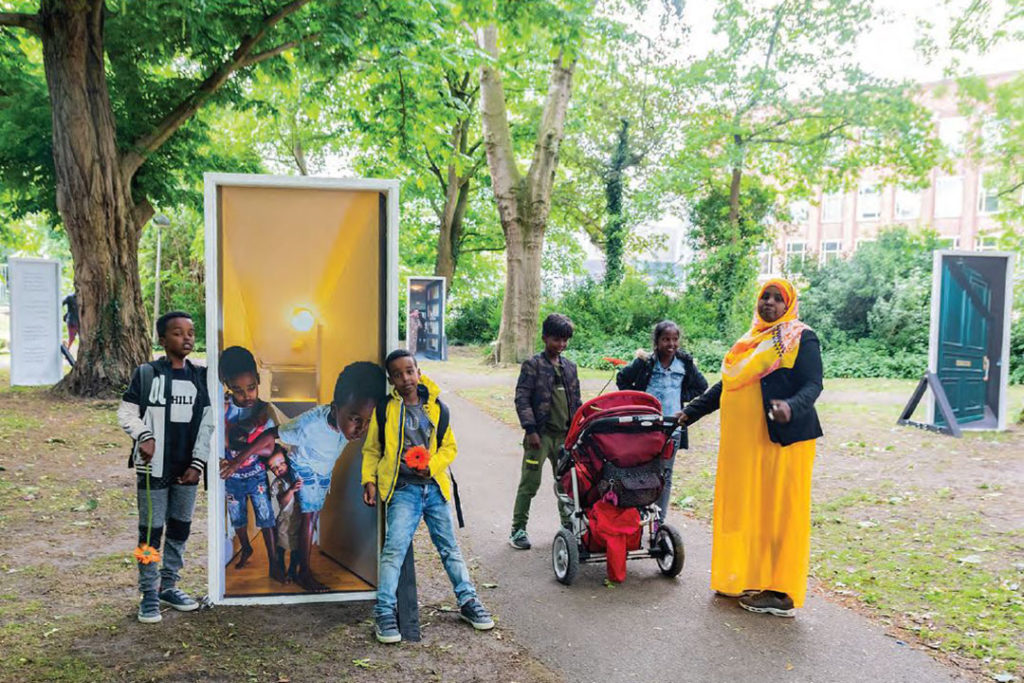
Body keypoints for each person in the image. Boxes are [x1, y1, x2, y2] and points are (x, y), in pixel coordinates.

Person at [680, 279, 823, 618]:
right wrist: (690, 412)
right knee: (747, 507)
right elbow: (727, 385)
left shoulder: (799, 337)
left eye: (777, 299)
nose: (769, 303)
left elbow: (813, 383)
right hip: (744, 447)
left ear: (788, 304)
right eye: (764, 297)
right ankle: (744, 575)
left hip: (781, 444)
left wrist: (790, 405)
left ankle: (781, 591)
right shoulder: (749, 341)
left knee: (779, 511)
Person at [362, 349, 494, 643]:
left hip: (434, 488)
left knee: (449, 549)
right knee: (394, 549)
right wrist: (369, 481)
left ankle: (468, 601)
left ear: (418, 371)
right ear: (391, 379)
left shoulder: (437, 408)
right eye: (397, 374)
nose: (405, 378)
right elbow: (372, 450)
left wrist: (431, 466)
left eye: (409, 371)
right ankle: (384, 611)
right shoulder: (385, 409)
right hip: (403, 490)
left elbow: (449, 447)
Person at [233, 362, 386, 592]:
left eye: (367, 420)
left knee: (309, 521)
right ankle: (304, 572)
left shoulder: (348, 420)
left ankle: (297, 567)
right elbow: (270, 434)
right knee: (306, 520)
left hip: (322, 472)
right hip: (304, 470)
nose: (361, 428)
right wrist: (237, 460)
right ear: (335, 409)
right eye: (355, 419)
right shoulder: (309, 425)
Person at [117, 311, 213, 624]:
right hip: (152, 470)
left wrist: (198, 464)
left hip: (187, 470)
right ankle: (148, 594)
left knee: (180, 528)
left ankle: (168, 585)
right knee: (150, 532)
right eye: (177, 332)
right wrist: (144, 435)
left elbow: (208, 424)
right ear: (162, 339)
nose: (186, 337)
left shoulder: (201, 376)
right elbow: (127, 413)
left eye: (190, 331)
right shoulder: (147, 374)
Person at [616, 320, 708, 525]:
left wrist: (682, 399)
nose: (671, 344)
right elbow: (622, 379)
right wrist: (638, 400)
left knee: (665, 474)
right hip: (645, 426)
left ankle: (659, 521)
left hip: (672, 427)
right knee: (642, 470)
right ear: (656, 342)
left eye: (675, 339)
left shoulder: (684, 363)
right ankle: (639, 514)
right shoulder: (645, 362)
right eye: (666, 339)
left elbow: (702, 386)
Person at [509, 313, 581, 550]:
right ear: (544, 338)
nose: (561, 345)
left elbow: (577, 402)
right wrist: (530, 430)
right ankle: (518, 530)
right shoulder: (533, 365)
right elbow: (522, 399)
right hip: (539, 437)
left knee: (567, 484)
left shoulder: (570, 367)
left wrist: (579, 431)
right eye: (556, 339)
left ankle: (568, 528)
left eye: (565, 340)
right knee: (530, 483)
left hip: (565, 438)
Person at [216, 346, 284, 582]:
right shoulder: (222, 408)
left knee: (266, 517)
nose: (246, 395)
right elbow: (224, 443)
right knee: (238, 519)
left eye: (251, 388)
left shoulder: (262, 409)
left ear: (258, 380)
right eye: (238, 390)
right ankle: (245, 547)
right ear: (227, 385)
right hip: (232, 478)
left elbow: (267, 447)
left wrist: (237, 457)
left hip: (255, 474)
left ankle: (275, 561)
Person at [267, 445, 303, 581]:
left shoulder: (297, 476)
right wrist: (291, 490)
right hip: (286, 520)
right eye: (274, 468)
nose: (279, 468)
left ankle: (293, 570)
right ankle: (280, 567)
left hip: (299, 519)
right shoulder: (278, 483)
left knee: (297, 548)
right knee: (281, 546)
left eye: (282, 463)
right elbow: (282, 501)